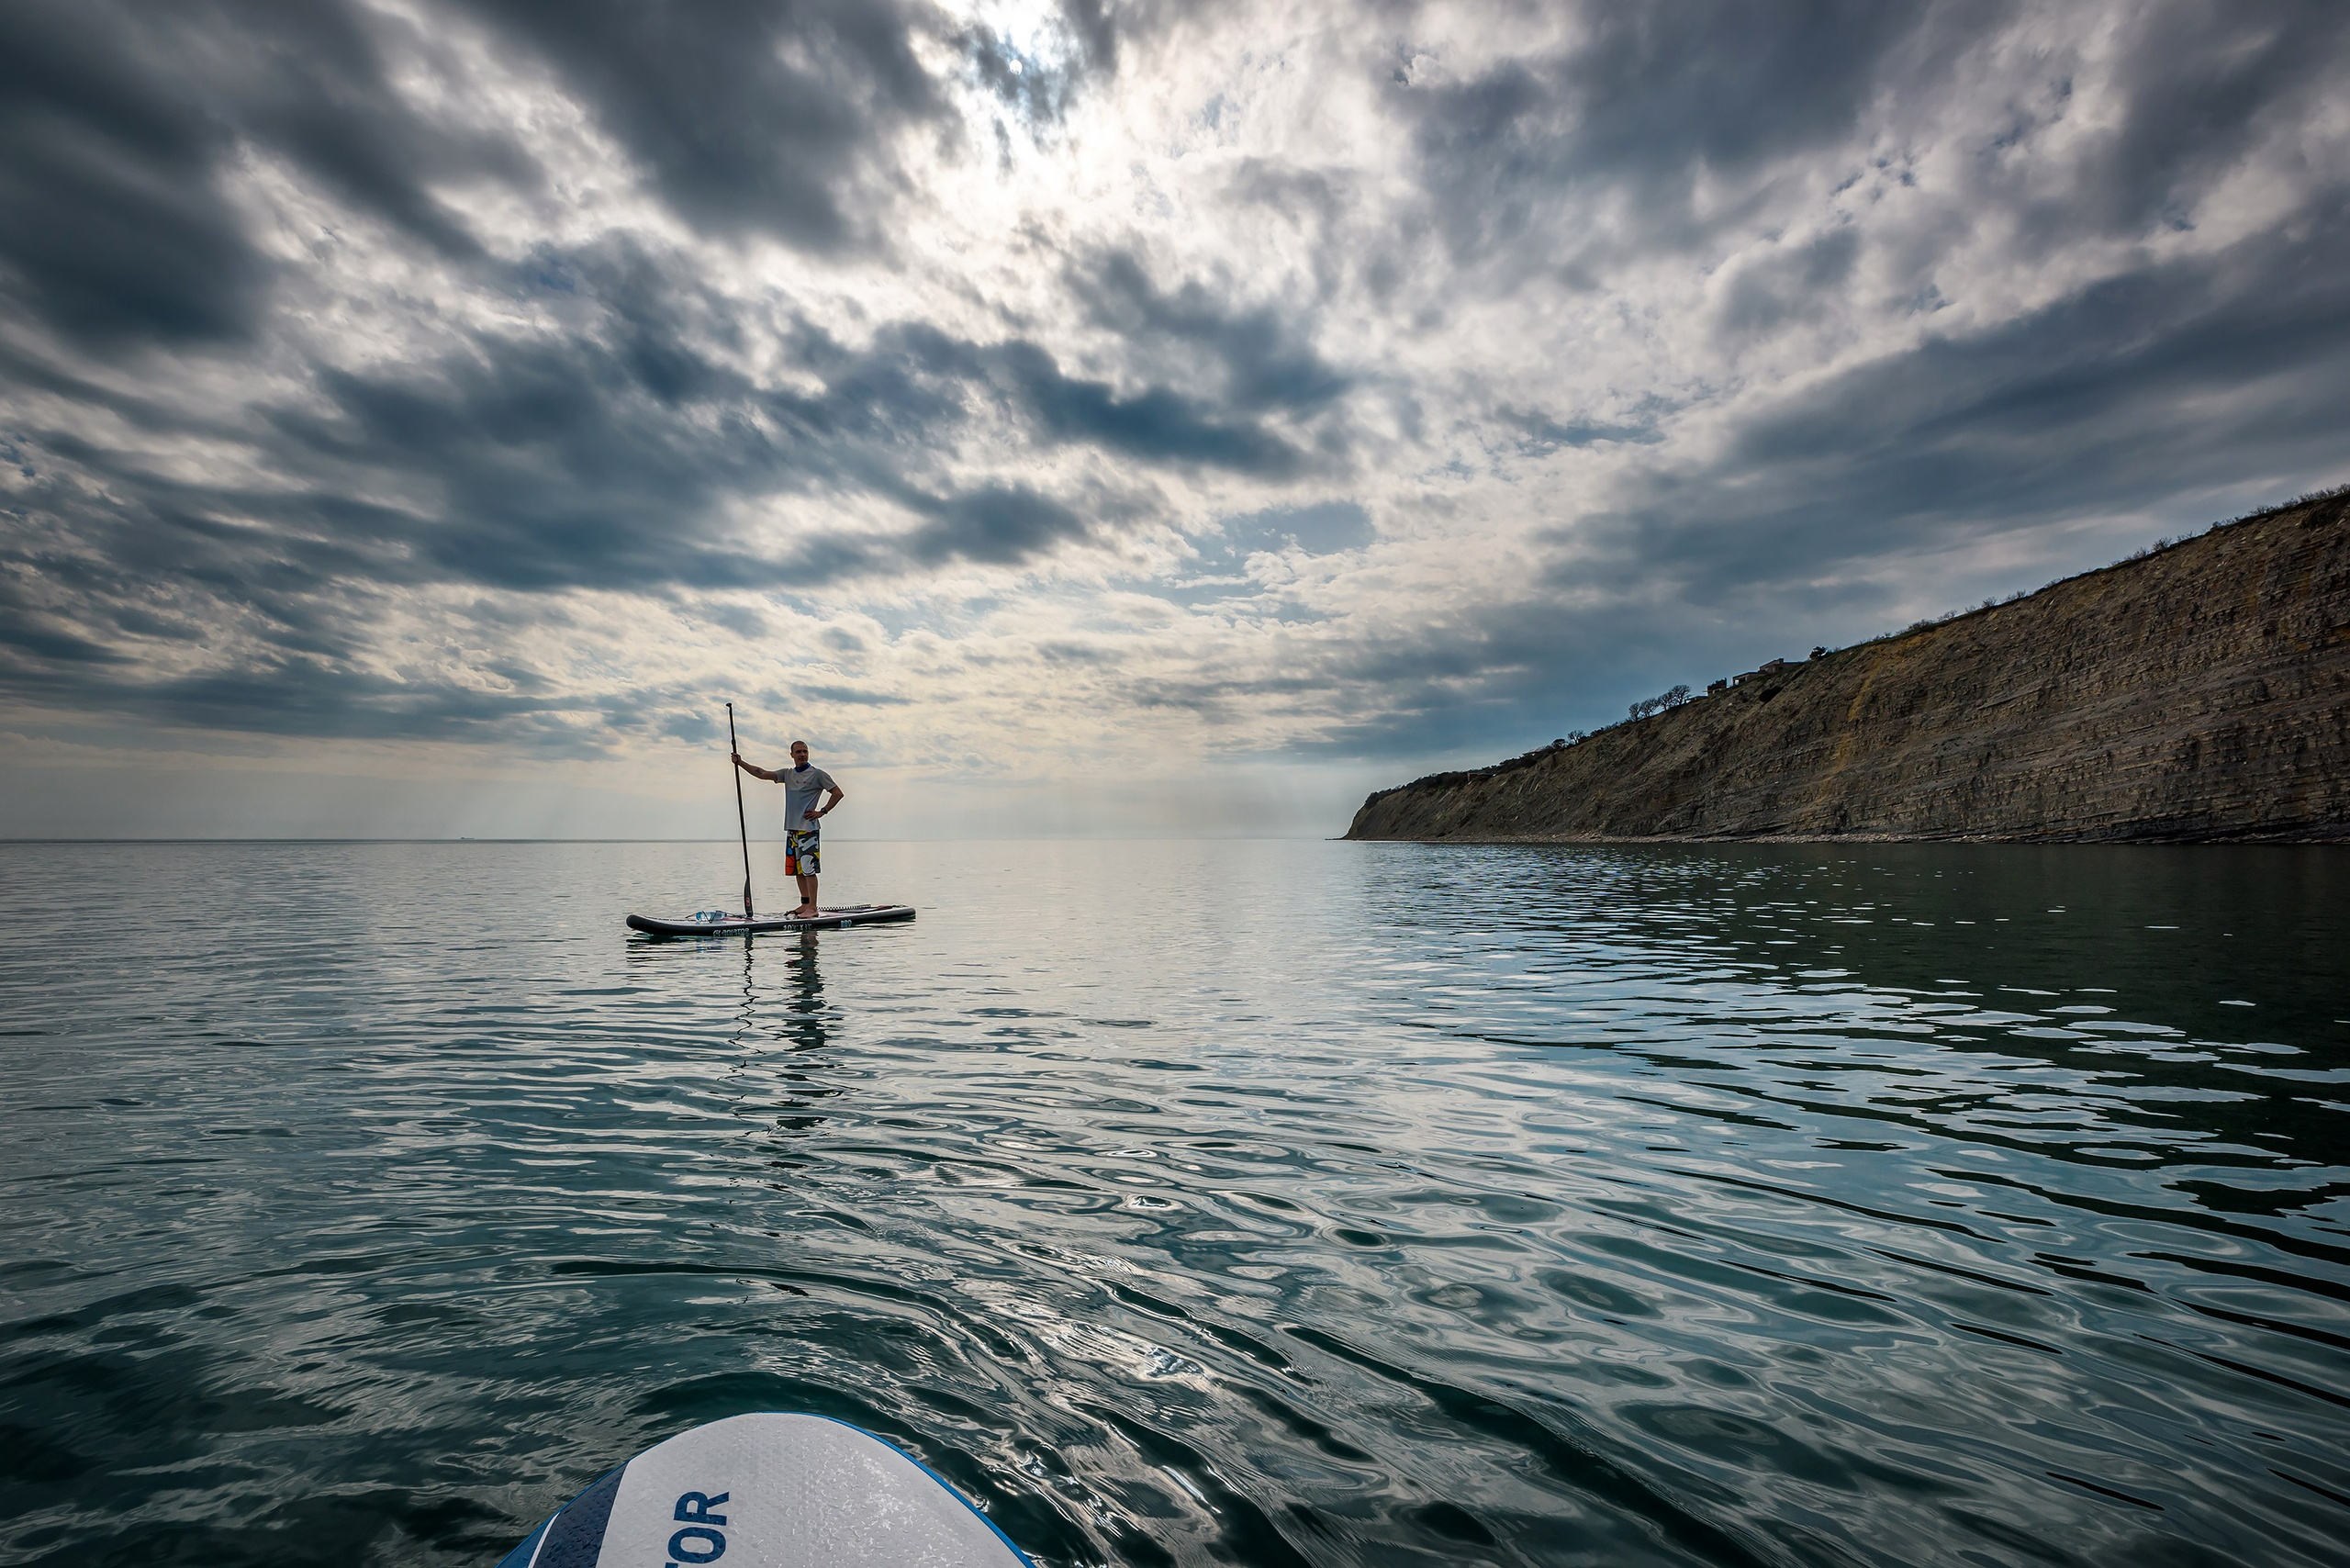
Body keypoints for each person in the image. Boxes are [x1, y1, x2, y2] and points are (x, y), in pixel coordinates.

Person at [733, 740, 844, 918]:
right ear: (791, 755)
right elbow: (761, 773)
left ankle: (813, 908)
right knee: (797, 870)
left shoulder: (818, 775)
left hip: (808, 829)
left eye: (805, 752)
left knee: (809, 869)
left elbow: (838, 793)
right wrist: (740, 762)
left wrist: (822, 811)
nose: (802, 755)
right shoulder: (788, 774)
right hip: (792, 830)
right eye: (798, 752)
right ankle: (805, 904)